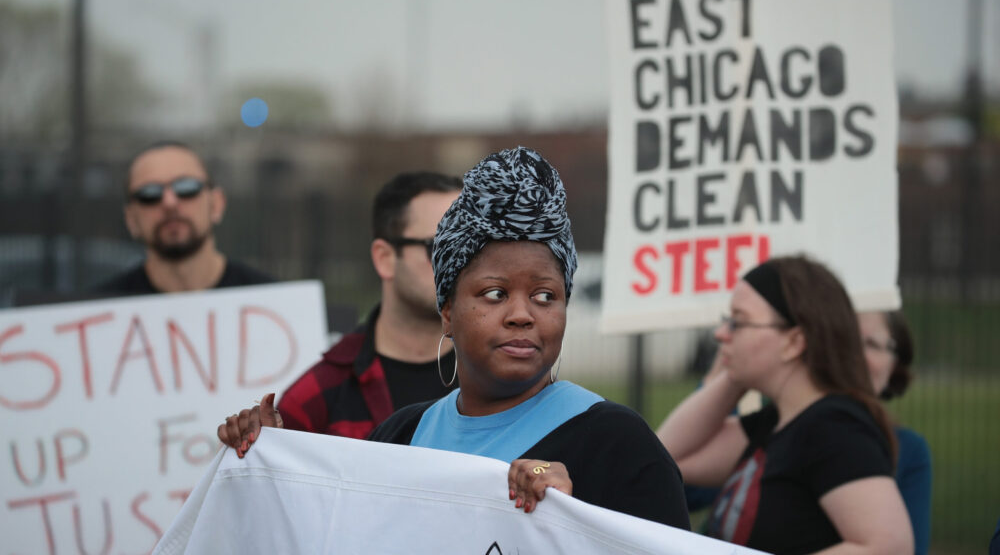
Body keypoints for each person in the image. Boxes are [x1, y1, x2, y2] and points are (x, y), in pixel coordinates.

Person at [219, 147, 690, 528]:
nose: (522, 315)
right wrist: (273, 463)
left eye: (546, 296)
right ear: (447, 312)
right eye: (494, 293)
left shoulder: (618, 445)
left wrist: (577, 514)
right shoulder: (401, 437)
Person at [657, 256, 912, 554]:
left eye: (738, 321)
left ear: (794, 342)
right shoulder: (777, 423)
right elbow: (666, 456)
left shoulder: (834, 428)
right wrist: (734, 376)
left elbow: (889, 546)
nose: (721, 333)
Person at [276, 172, 463, 438]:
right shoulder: (316, 400)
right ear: (384, 258)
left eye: (468, 246)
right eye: (440, 246)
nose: (458, 262)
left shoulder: (505, 376)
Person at [97, 140, 274, 294]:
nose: (169, 202)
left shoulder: (274, 300)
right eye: (149, 194)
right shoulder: (99, 312)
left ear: (216, 204)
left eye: (187, 188)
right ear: (131, 219)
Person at [858, 309, 932, 555]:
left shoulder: (909, 451)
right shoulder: (784, 430)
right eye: (846, 339)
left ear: (895, 363)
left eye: (871, 343)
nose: (856, 355)